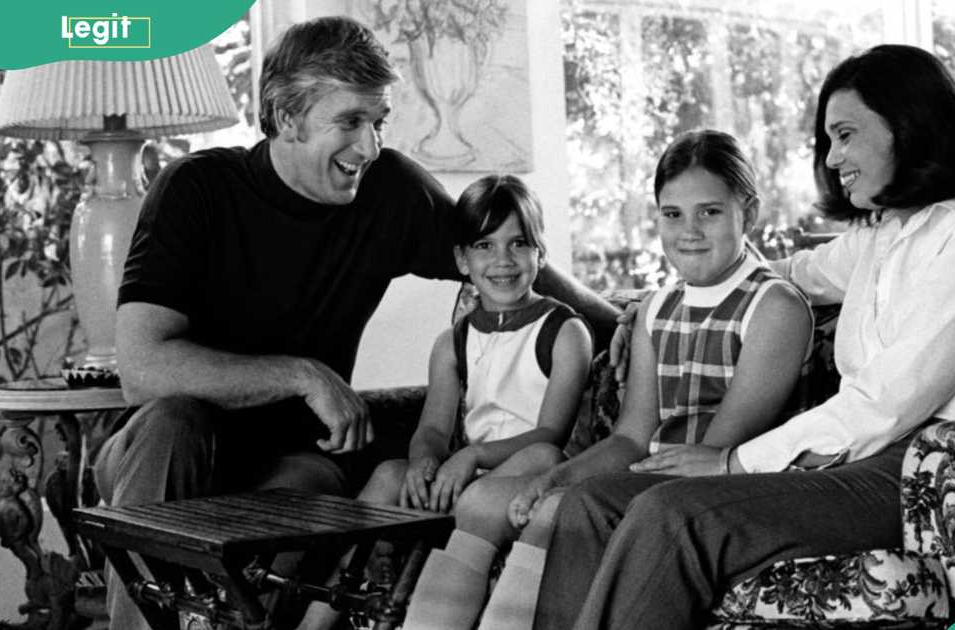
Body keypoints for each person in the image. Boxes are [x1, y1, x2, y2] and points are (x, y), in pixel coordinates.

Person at [92, 16, 618, 630]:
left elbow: (500, 257)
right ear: (287, 116)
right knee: (173, 419)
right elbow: (143, 371)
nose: (368, 147)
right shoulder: (197, 188)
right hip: (168, 453)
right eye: (349, 122)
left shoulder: (388, 188)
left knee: (318, 485)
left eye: (378, 122)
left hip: (297, 457)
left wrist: (629, 322)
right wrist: (304, 376)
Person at [535, 44, 955, 630]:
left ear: (907, 127)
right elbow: (784, 274)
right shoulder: (889, 234)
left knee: (673, 515)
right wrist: (650, 305)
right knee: (589, 503)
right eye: (829, 140)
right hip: (857, 459)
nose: (833, 159)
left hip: (925, 472)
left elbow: (886, 402)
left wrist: (734, 462)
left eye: (846, 135)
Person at [400, 129, 813, 630]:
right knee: (550, 500)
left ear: (749, 211)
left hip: (723, 486)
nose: (690, 231)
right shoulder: (657, 308)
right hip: (657, 478)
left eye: (710, 212)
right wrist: (553, 479)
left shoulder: (773, 307)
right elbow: (632, 437)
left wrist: (571, 490)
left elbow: (718, 450)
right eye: (672, 214)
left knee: (566, 512)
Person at [296, 174, 593, 630]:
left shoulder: (564, 331)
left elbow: (552, 432)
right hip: (468, 471)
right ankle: (316, 619)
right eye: (484, 246)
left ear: (541, 253)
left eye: (519, 244)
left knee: (543, 451)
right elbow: (432, 429)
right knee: (387, 474)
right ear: (461, 259)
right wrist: (424, 463)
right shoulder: (452, 342)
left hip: (527, 469)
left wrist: (471, 455)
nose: (503, 261)